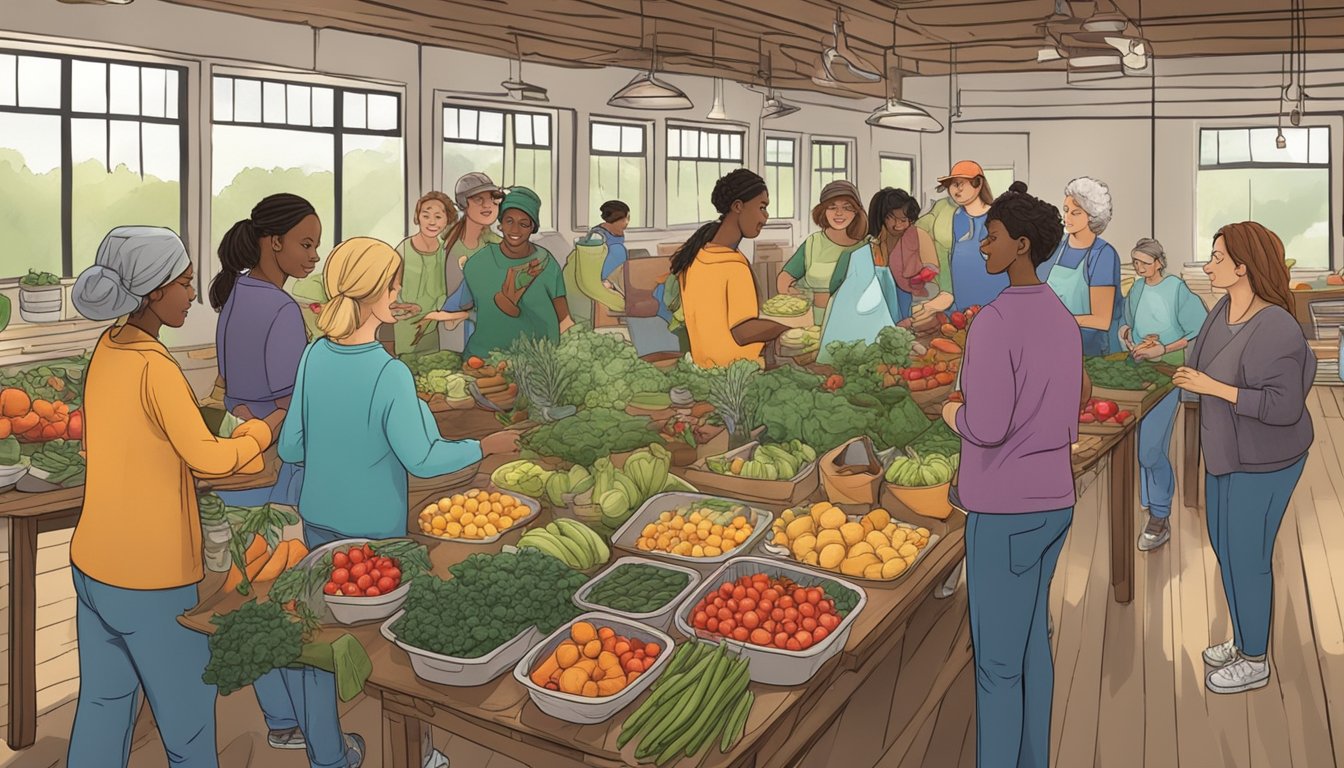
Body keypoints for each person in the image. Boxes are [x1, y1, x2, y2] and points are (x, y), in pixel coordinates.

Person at [281, 237, 518, 767]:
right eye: (392, 283)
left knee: (320, 638)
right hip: (377, 533)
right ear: (372, 295)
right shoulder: (389, 374)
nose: (398, 291)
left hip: (319, 520)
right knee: (395, 648)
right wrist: (485, 445)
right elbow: (424, 460)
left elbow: (291, 445)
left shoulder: (315, 355)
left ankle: (328, 756)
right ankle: (420, 755)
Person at [67, 226, 282, 768]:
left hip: (93, 562)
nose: (192, 295)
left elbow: (97, 444)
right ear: (152, 292)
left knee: (103, 702)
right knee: (185, 718)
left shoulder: (108, 348)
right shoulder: (155, 366)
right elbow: (208, 457)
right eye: (184, 284)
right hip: (152, 577)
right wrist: (260, 433)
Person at [940, 182, 1088, 768]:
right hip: (1053, 500)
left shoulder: (996, 321)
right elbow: (1077, 394)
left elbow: (989, 425)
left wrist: (953, 410)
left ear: (1021, 245)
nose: (981, 245)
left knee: (997, 667)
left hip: (1004, 510)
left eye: (992, 237)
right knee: (1032, 651)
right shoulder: (1057, 313)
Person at [1174, 221, 1314, 695]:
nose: (1209, 265)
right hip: (1225, 453)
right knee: (1226, 549)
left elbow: (1284, 407)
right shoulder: (1221, 310)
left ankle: (1255, 659)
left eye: (1217, 257)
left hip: (1267, 460)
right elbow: (1196, 358)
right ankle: (1241, 640)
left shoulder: (1275, 325)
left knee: (1248, 555)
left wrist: (1214, 388)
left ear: (1243, 265)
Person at [211, 193, 323, 753]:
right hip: (274, 464)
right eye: (305, 244)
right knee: (286, 591)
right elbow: (288, 404)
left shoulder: (236, 294)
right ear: (271, 241)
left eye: (317, 247)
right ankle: (303, 721)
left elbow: (237, 387)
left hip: (239, 455)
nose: (313, 257)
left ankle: (279, 717)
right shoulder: (280, 309)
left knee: (246, 590)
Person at [1118, 238, 1209, 551]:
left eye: (1144, 262)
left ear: (1159, 262)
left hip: (1166, 374)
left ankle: (1160, 516)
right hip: (1138, 369)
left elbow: (1196, 329)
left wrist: (1163, 349)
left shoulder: (1177, 289)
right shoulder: (1137, 290)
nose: (1140, 268)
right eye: (1136, 262)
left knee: (1150, 450)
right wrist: (1127, 335)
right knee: (1137, 441)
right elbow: (1128, 322)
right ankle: (1148, 500)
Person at [418, 187, 570, 359]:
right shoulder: (478, 264)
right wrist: (436, 316)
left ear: (532, 228)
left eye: (524, 224)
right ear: (501, 224)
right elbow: (458, 305)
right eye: (509, 221)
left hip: (538, 363)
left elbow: (564, 319)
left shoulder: (545, 263)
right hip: (483, 359)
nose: (515, 230)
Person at [672, 169, 788, 368]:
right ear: (738, 206)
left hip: (705, 368)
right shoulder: (733, 265)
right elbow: (742, 332)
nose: (765, 217)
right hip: (740, 372)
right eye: (762, 207)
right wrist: (788, 330)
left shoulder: (697, 255)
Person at [818, 187, 937, 363]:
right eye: (892, 219)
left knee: (900, 340)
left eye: (905, 220)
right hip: (873, 306)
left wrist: (920, 279)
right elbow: (842, 288)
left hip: (906, 297)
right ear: (880, 217)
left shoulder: (916, 236)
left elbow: (932, 268)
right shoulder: (862, 250)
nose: (899, 225)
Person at [1037, 177, 1123, 356]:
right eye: (1066, 210)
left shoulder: (1103, 255)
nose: (1067, 217)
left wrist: (1056, 320)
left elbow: (1102, 320)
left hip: (1093, 351)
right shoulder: (1056, 247)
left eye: (1075, 213)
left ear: (1093, 215)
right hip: (1055, 344)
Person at [776, 180, 868, 325]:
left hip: (854, 320)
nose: (839, 213)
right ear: (823, 211)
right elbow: (784, 279)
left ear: (856, 211)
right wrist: (795, 295)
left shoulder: (867, 246)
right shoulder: (813, 243)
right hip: (813, 322)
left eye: (846, 207)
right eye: (832, 207)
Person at [916, 160, 996, 312]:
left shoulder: (998, 216)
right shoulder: (951, 214)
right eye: (953, 184)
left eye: (961, 183)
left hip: (993, 292)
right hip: (958, 299)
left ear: (978, 183)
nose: (956, 189)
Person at [436, 173, 504, 351]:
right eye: (478, 199)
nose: (487, 205)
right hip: (455, 330)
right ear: (464, 204)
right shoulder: (449, 246)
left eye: (492, 199)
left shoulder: (498, 245)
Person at [392, 191, 459, 354]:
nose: (431, 222)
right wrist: (404, 308)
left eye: (438, 217)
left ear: (447, 220)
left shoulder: (446, 250)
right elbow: (393, 287)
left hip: (434, 323)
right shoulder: (403, 250)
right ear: (418, 217)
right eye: (426, 215)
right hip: (405, 323)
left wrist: (436, 314)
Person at [564, 200, 629, 327]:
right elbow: (593, 271)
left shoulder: (613, 236)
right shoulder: (597, 240)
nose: (626, 223)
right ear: (613, 220)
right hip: (597, 283)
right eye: (623, 220)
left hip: (612, 279)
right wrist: (608, 283)